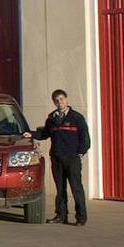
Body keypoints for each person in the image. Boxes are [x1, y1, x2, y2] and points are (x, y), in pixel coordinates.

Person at [32, 89, 91, 226]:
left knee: (76, 188)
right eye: (57, 100)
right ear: (54, 102)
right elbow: (44, 134)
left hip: (72, 159)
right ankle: (61, 215)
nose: (60, 102)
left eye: (62, 99)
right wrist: (30, 134)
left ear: (66, 99)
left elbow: (85, 139)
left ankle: (81, 218)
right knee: (60, 189)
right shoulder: (52, 119)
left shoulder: (77, 118)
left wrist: (79, 154)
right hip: (57, 158)